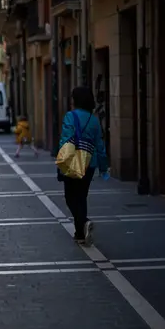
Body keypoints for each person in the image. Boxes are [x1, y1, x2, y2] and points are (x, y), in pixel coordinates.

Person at [58, 87, 108, 246]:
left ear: (75, 100)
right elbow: (100, 145)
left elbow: (65, 139)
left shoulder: (70, 116)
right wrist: (103, 167)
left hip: (73, 162)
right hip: (89, 163)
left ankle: (84, 222)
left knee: (70, 198)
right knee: (81, 197)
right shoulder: (94, 120)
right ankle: (80, 233)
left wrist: (61, 160)